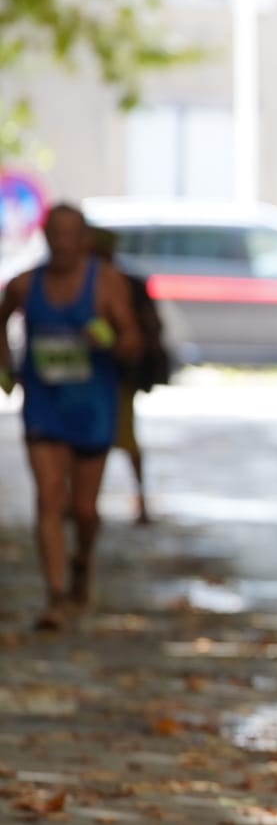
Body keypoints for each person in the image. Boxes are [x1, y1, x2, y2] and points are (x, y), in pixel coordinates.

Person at [0, 203, 142, 631]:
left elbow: (132, 342)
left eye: (70, 234)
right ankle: (56, 596)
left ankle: (83, 558)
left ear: (84, 240)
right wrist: (6, 367)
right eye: (54, 233)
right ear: (44, 236)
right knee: (48, 496)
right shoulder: (25, 285)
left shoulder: (107, 284)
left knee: (83, 508)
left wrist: (106, 339)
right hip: (43, 404)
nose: (61, 243)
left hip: (93, 406)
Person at [90, 227, 169, 526]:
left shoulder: (123, 284)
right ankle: (86, 504)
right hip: (88, 375)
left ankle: (138, 501)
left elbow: (144, 333)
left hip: (117, 374)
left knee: (123, 437)